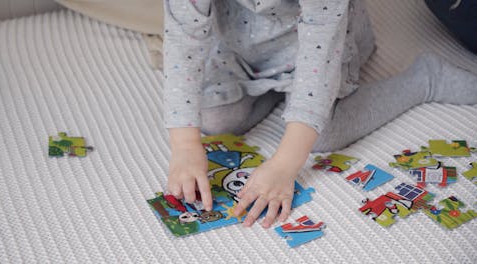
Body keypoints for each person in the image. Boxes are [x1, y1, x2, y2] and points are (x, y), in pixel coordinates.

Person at [163, 0, 477, 228]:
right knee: (214, 120)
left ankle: (424, 80)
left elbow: (320, 58)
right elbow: (183, 42)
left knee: (321, 136)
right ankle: (281, 95)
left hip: (315, 53)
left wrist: (285, 165)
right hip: (238, 51)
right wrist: (185, 147)